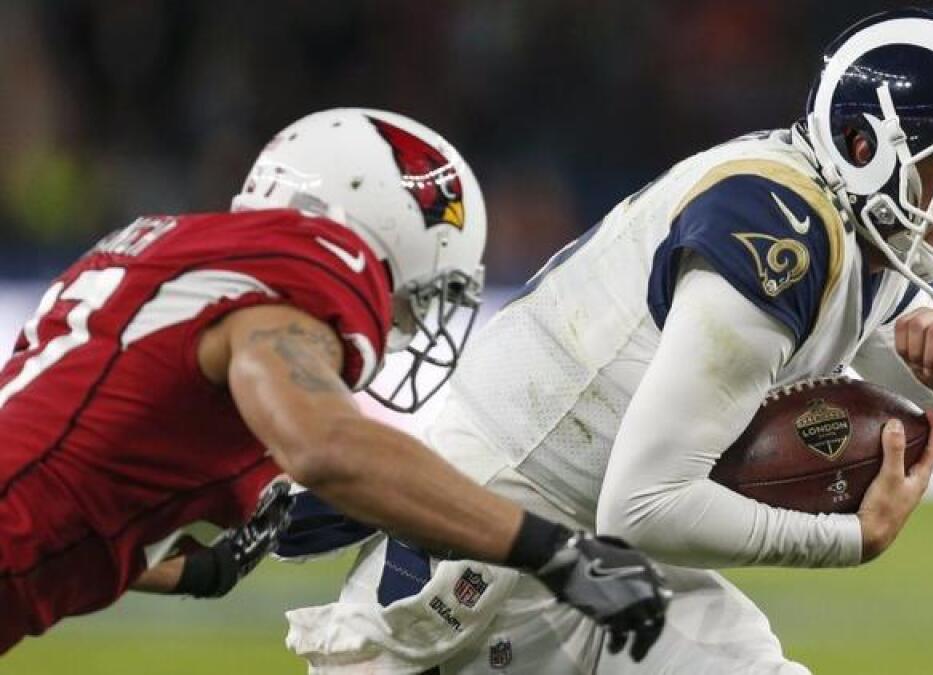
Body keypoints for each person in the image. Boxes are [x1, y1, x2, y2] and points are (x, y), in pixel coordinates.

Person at [283, 9, 933, 674]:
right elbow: (642, 507)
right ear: (863, 145)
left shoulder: (859, 238)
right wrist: (851, 538)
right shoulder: (779, 233)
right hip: (481, 568)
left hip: (586, 558)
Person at [0, 108, 670, 658]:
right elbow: (327, 446)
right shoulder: (308, 261)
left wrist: (192, 568)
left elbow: (66, 497)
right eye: (418, 295)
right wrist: (556, 553)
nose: (405, 321)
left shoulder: (175, 254)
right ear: (379, 232)